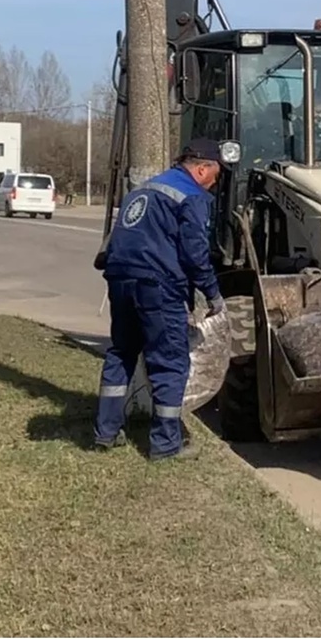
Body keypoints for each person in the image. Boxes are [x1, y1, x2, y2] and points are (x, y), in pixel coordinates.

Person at [92, 137, 228, 460]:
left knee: (121, 353)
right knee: (169, 360)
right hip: (158, 284)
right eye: (215, 175)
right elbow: (195, 253)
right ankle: (166, 445)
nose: (214, 183)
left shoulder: (142, 190)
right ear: (201, 168)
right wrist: (212, 294)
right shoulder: (192, 196)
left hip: (120, 279)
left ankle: (105, 431)